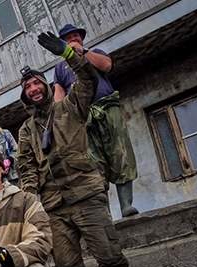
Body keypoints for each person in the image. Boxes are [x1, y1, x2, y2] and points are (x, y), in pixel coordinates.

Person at [17, 32, 144, 267]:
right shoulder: (26, 130)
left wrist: (68, 54)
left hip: (86, 194)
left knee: (111, 259)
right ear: (24, 95)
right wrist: (32, 200)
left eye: (36, 83)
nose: (33, 88)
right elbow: (26, 167)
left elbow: (88, 76)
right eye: (27, 87)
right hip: (54, 207)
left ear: (46, 86)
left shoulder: (71, 106)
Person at [52, 24, 139, 217]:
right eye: (68, 37)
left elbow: (106, 65)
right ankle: (104, 214)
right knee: (93, 163)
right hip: (82, 118)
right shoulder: (59, 69)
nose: (73, 39)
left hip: (107, 109)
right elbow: (58, 98)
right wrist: (62, 120)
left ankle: (126, 205)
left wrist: (83, 52)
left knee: (120, 152)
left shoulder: (93, 53)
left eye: (76, 36)